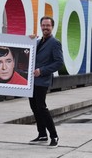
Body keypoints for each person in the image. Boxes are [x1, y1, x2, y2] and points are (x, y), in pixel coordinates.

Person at [29, 16, 64, 148]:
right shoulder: (38, 42)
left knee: (41, 107)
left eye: (48, 26)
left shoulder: (55, 43)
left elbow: (59, 62)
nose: (45, 28)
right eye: (43, 25)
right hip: (32, 81)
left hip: (42, 80)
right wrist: (29, 40)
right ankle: (42, 134)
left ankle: (54, 135)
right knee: (34, 107)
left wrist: (42, 70)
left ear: (52, 27)